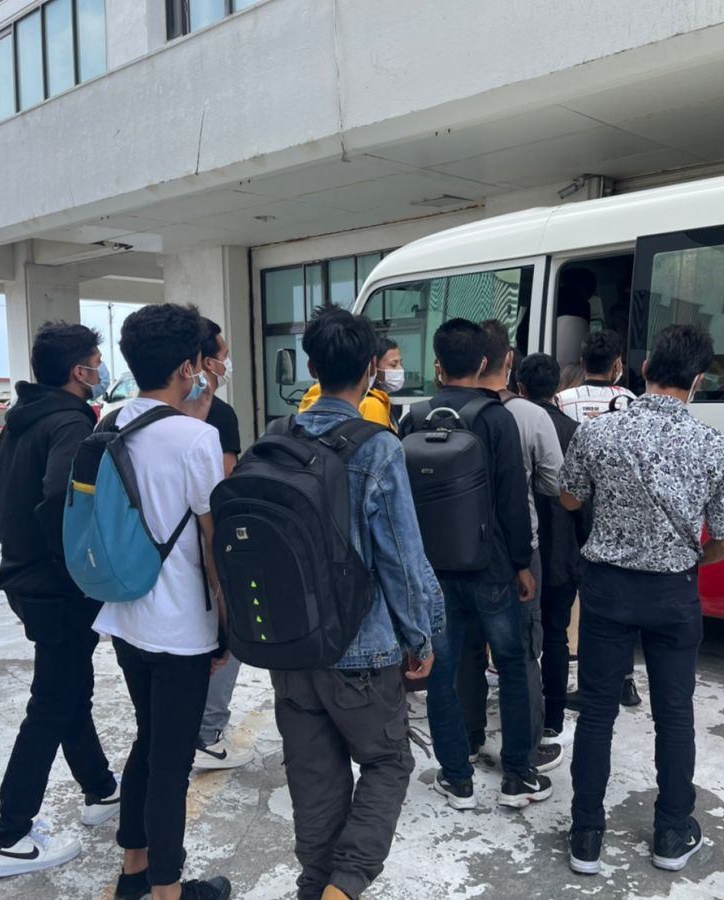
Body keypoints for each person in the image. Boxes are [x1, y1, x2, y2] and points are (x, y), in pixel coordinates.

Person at [560, 324, 724, 876]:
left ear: (644, 370)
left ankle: (586, 836)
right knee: (674, 715)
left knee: (597, 712)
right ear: (699, 381)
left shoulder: (598, 433)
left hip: (607, 590)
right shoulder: (714, 445)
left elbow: (569, 498)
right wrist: (690, 559)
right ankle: (672, 833)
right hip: (674, 592)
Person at [273, 306, 443, 900]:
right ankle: (343, 887)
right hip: (361, 648)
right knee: (388, 762)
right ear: (372, 368)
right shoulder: (377, 448)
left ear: (313, 368)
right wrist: (420, 638)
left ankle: (314, 886)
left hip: (292, 647)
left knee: (314, 780)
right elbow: (401, 559)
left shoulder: (277, 437)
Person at [93, 303, 231, 900]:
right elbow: (212, 538)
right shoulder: (200, 439)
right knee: (172, 761)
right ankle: (167, 891)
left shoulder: (110, 423)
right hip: (181, 626)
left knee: (149, 741)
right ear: (187, 367)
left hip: (125, 614)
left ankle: (134, 871)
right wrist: (226, 624)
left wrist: (190, 413)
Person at [0, 323, 121, 879]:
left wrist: (17, 541)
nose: (100, 371)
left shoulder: (22, 419)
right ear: (79, 372)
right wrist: (71, 566)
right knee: (53, 701)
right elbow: (61, 495)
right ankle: (10, 836)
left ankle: (100, 788)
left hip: (26, 581)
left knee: (69, 687)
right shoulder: (70, 423)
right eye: (96, 363)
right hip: (57, 589)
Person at [399, 318, 551, 810]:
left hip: (433, 573)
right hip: (491, 568)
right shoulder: (496, 418)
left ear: (437, 366)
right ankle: (518, 776)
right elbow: (512, 499)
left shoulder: (413, 419)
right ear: (485, 362)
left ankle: (457, 779)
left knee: (442, 671)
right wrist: (522, 563)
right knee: (511, 663)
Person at [457, 322, 565, 774]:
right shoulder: (530, 416)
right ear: (508, 360)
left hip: (455, 552)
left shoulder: (442, 411)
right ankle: (526, 751)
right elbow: (556, 483)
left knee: (467, 651)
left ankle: (467, 739)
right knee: (520, 654)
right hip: (516, 552)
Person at [556, 329, 641, 710]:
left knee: (587, 597)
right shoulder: (632, 401)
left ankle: (591, 683)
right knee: (621, 595)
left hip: (575, 505)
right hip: (622, 507)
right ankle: (625, 680)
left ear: (582, 362)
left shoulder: (561, 400)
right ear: (618, 364)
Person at [191, 318, 255, 771]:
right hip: (208, 547)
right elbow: (223, 488)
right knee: (225, 639)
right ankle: (209, 733)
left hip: (160, 556)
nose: (226, 365)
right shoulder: (218, 416)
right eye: (223, 357)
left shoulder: (130, 417)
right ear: (201, 362)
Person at [516, 352, 583, 740]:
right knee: (557, 634)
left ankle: (523, 709)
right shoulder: (575, 431)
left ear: (521, 387)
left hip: (522, 552)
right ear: (557, 387)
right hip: (563, 551)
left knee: (523, 637)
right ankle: (553, 716)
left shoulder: (512, 424)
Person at [299, 336, 404, 431]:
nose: (400, 369)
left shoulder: (313, 403)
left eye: (401, 363)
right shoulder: (372, 404)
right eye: (393, 365)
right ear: (372, 366)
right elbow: (377, 443)